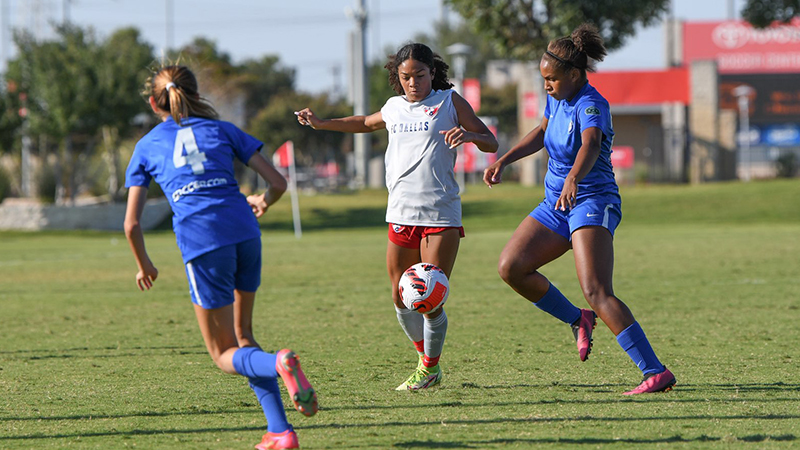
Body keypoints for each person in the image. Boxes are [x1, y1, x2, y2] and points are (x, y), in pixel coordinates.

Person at [124, 65, 318, 450]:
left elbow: (131, 224)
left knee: (222, 353)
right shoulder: (223, 129)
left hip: (204, 241)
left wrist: (145, 265)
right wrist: (264, 200)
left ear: (153, 103)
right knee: (244, 337)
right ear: (196, 95)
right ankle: (280, 432)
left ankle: (279, 362)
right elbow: (278, 182)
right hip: (245, 231)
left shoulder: (147, 145)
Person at [482, 24, 676, 395]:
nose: (546, 85)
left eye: (551, 79)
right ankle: (578, 319)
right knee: (512, 266)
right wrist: (504, 160)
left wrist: (573, 178)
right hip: (556, 204)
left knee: (597, 290)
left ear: (574, 74)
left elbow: (590, 144)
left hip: (592, 200)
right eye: (543, 79)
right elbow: (542, 132)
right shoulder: (557, 97)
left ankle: (655, 371)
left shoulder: (591, 103)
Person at [295, 43, 498, 390]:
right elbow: (364, 122)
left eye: (420, 75)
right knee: (401, 296)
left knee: (429, 295)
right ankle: (424, 359)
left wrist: (469, 135)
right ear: (397, 77)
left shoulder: (450, 102)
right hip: (401, 212)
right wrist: (322, 123)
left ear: (432, 72)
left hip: (440, 214)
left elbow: (490, 142)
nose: (413, 82)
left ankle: (429, 368)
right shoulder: (393, 107)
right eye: (406, 77)